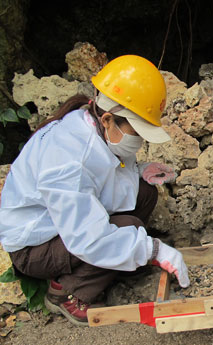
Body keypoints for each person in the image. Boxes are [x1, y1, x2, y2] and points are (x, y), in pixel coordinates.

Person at [0, 55, 190, 326]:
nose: (139, 141)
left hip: (62, 224)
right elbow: (89, 238)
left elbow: (102, 171)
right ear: (108, 119)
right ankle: (66, 292)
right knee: (128, 227)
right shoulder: (67, 160)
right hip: (34, 247)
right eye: (137, 131)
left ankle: (115, 265)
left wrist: (139, 171)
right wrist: (155, 251)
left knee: (144, 193)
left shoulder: (92, 124)